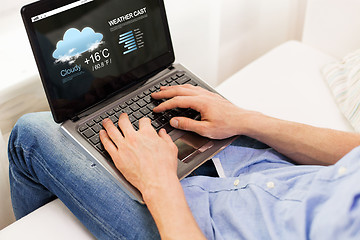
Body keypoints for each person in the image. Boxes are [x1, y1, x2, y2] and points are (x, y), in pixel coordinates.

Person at [8, 84, 360, 239]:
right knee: (170, 102)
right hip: (269, 173)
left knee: (31, 134)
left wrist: (158, 182)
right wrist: (247, 119)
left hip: (191, 228)